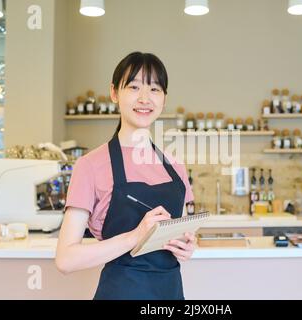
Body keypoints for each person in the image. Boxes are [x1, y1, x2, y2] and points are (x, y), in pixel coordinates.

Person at [55, 52, 196, 300]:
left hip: (170, 294)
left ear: (164, 99)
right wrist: (135, 236)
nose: (145, 98)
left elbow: (180, 231)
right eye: (133, 87)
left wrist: (186, 246)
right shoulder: (90, 165)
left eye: (154, 89)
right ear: (114, 93)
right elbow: (66, 260)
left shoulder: (175, 166)